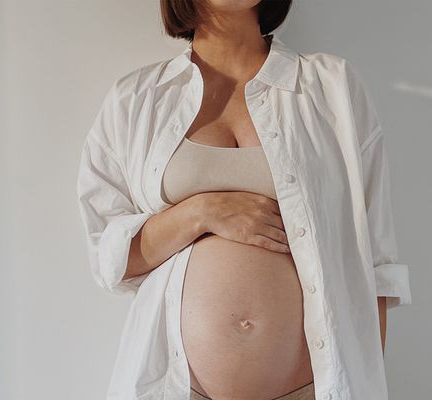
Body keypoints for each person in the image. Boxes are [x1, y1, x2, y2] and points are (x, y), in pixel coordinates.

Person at [76, 1, 412, 399]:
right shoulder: (136, 99)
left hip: (315, 387)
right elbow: (112, 258)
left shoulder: (331, 85)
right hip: (178, 387)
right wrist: (202, 213)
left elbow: (374, 265)